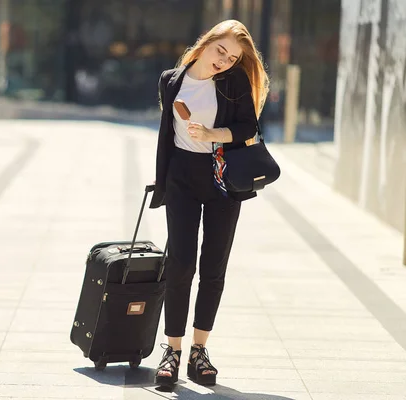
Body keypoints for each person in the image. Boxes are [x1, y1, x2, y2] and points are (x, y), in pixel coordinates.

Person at [149, 20, 269, 387]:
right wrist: (163, 181)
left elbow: (248, 128)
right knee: (180, 263)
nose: (225, 61)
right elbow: (169, 134)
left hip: (222, 178)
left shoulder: (232, 82)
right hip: (182, 177)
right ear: (207, 42)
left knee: (213, 266)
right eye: (221, 51)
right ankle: (172, 350)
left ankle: (200, 350)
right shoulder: (171, 80)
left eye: (233, 57)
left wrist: (213, 134)